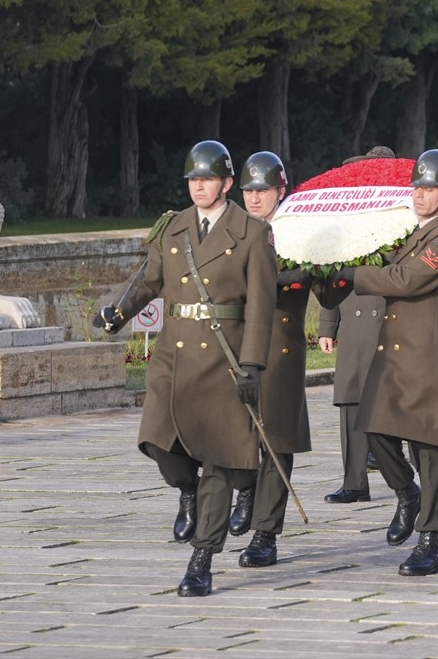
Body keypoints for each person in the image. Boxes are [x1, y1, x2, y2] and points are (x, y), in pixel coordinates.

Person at [95, 140, 276, 596]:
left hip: (223, 359)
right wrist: (118, 313)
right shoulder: (173, 228)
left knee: (217, 457)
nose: (199, 187)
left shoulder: (251, 233)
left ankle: (202, 559)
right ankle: (186, 490)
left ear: (227, 183)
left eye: (208, 179)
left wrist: (252, 364)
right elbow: (148, 279)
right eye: (193, 180)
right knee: (157, 441)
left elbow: (261, 307)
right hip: (173, 358)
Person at [337, 149, 438, 576]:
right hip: (396, 356)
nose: (419, 194)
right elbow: (388, 263)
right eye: (416, 186)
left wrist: (352, 275)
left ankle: (430, 541)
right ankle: (406, 493)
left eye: (429, 188)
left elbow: (408, 279)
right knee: (374, 429)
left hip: (431, 358)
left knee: (431, 450)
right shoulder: (407, 231)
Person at [233, 151, 313, 568]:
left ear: (281, 190)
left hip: (279, 344)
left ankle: (265, 533)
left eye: (262, 190)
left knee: (276, 440)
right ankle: (245, 488)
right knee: (229, 429)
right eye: (248, 190)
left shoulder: (296, 231)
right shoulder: (236, 230)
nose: (254, 197)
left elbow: (308, 279)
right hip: (237, 343)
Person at [318, 146, 396, 506]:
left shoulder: (401, 219)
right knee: (350, 400)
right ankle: (354, 482)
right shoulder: (342, 224)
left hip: (386, 319)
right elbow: (330, 278)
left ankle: (401, 478)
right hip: (351, 320)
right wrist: (326, 326)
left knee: (389, 401)